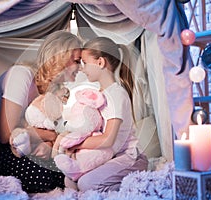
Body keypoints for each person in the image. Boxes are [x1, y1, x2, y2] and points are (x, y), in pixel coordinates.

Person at [0, 30, 82, 193]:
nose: (80, 68)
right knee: (45, 176)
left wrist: (49, 146)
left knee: (71, 165)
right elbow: (6, 135)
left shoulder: (54, 90)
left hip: (23, 144)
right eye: (77, 61)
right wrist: (51, 137)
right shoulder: (21, 75)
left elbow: (51, 127)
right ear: (61, 58)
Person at [59, 37, 149, 192]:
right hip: (109, 156)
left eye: (85, 63)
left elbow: (107, 139)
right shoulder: (99, 94)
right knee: (72, 178)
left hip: (129, 157)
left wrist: (75, 144)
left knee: (86, 184)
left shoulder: (116, 94)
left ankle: (138, 184)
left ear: (100, 62)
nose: (82, 68)